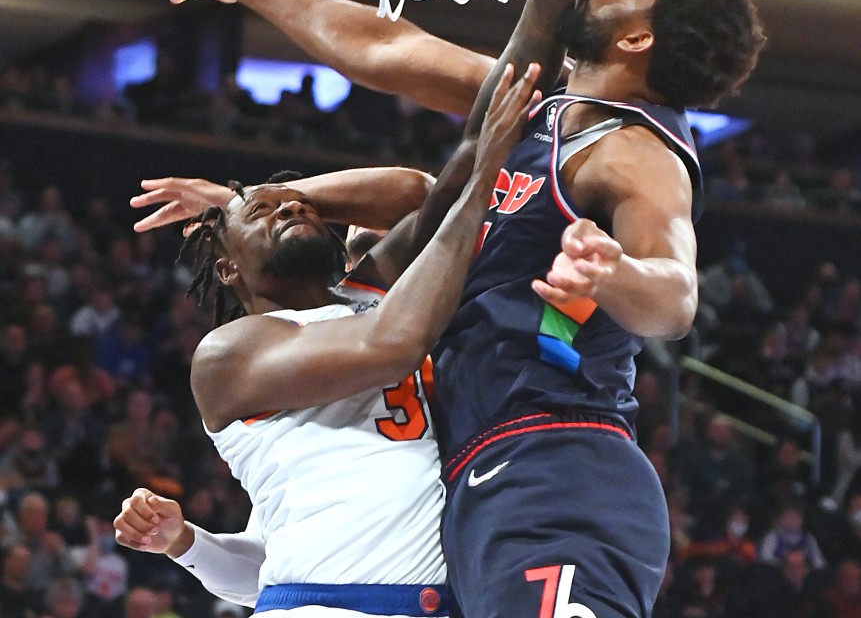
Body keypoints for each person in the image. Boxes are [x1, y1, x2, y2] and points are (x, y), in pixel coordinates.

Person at [119, 0, 765, 617]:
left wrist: (613, 272)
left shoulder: (634, 152)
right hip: (478, 482)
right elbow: (385, 50)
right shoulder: (541, 109)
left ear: (639, 40)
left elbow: (675, 297)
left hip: (552, 462)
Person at [115, 47, 544, 618]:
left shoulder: (371, 294)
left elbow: (419, 196)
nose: (289, 210)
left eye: (298, 206)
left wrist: (265, 200)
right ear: (228, 269)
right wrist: (483, 172)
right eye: (262, 216)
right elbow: (392, 347)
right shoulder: (231, 353)